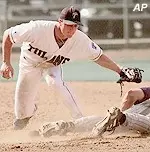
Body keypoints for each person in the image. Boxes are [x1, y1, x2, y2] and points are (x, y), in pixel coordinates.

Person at [0, 6, 136, 130]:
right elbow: (8, 35)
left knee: (56, 83)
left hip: (52, 65)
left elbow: (99, 57)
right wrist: (6, 62)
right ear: (60, 22)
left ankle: (80, 119)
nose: (72, 29)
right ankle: (26, 114)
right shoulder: (37, 29)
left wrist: (120, 70)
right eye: (68, 25)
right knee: (23, 110)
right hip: (29, 63)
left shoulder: (79, 39)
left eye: (75, 26)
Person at [37, 87, 150, 137]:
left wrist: (122, 120)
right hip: (139, 118)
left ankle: (68, 125)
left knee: (108, 119)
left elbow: (131, 94)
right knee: (144, 123)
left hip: (138, 110)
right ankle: (121, 119)